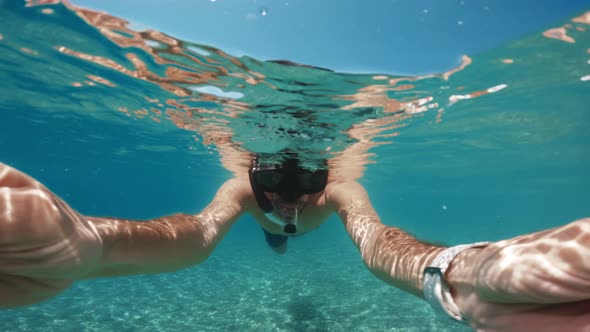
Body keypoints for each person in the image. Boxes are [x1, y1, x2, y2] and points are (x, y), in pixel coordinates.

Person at [0, 156, 589, 331]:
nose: (287, 197)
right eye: (271, 185)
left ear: (323, 179)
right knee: (276, 238)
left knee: (282, 234)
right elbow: (199, 234)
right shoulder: (240, 188)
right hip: (273, 240)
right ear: (253, 176)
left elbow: (378, 240)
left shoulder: (340, 191)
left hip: (457, 276)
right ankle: (82, 241)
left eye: (306, 185)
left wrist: (459, 271)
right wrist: (91, 243)